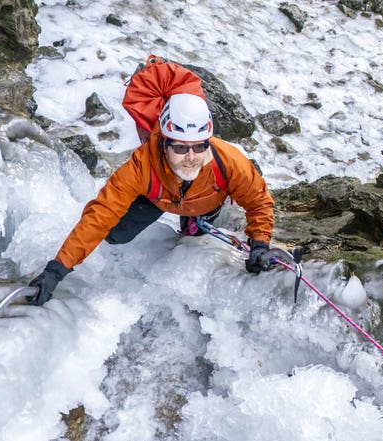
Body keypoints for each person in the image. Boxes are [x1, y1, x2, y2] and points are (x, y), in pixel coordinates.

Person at [27, 93, 275, 306]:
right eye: (180, 148)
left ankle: (195, 219)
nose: (190, 157)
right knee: (115, 234)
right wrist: (56, 271)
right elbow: (100, 216)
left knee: (194, 235)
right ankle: (189, 215)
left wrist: (260, 244)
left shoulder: (229, 161)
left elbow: (259, 202)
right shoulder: (141, 166)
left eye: (199, 147)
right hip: (160, 197)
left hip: (205, 199)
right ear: (165, 143)